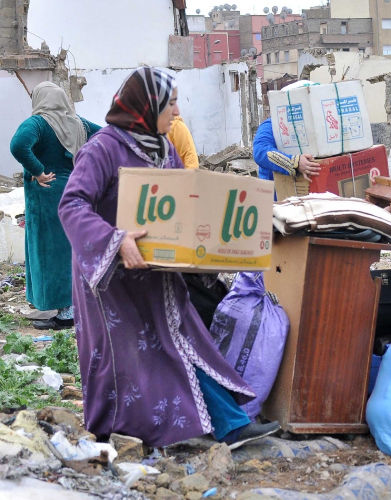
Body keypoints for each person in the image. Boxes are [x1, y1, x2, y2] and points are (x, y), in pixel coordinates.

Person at [58, 66, 278, 448]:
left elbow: (183, 207)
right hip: (112, 278)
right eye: (170, 104)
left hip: (157, 274)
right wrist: (115, 239)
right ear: (147, 105)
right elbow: (72, 204)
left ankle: (230, 425)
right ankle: (119, 431)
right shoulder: (103, 149)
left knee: (185, 342)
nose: (176, 113)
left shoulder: (164, 150)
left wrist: (210, 250)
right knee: (125, 358)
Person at [10, 82, 101, 330]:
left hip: (48, 196)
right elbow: (106, 137)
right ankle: (75, 306)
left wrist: (38, 171)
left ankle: (66, 312)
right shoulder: (78, 123)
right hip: (76, 192)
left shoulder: (38, 123)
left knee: (52, 253)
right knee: (71, 249)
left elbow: (18, 145)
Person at [253, 81, 321, 186]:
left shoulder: (317, 123)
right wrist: (294, 162)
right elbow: (260, 151)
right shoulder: (271, 125)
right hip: (277, 196)